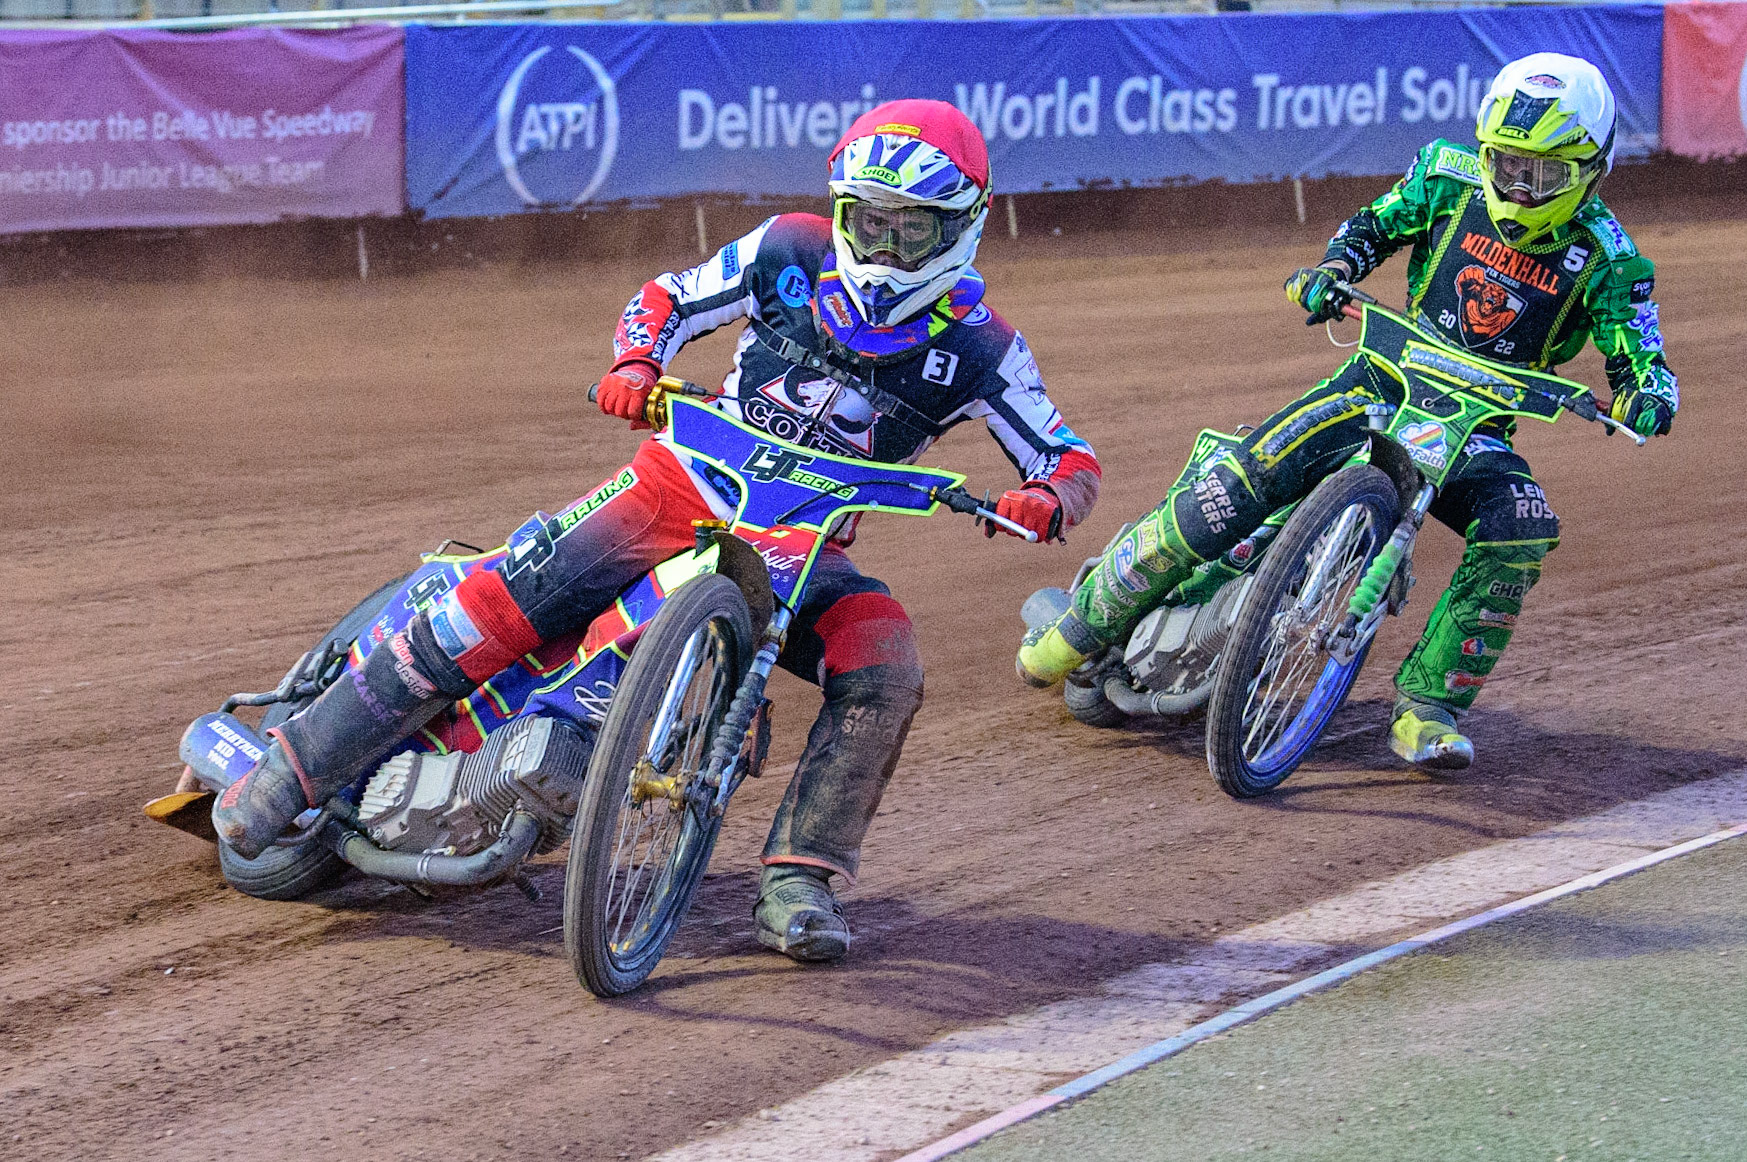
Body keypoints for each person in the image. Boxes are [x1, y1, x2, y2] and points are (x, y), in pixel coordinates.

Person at [213, 99, 1100, 962]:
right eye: (870, 223)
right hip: (680, 480)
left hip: (803, 542)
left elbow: (1066, 455)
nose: (887, 245)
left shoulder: (986, 348)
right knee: (496, 603)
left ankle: (801, 882)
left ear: (965, 225)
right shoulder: (786, 248)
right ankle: (291, 770)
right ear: (840, 211)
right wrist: (637, 360)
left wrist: (1048, 498)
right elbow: (668, 297)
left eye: (913, 229)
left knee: (886, 665)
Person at [1017, 53, 1676, 770]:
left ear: (1594, 167)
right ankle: (1084, 625)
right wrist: (1333, 271)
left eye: (1541, 173)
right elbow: (1371, 227)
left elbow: (1640, 355)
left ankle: (1430, 708)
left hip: (1476, 432)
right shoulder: (1444, 172)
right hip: (1378, 382)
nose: (1518, 185)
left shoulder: (1612, 261)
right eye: (1506, 162)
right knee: (1242, 476)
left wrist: (1647, 395)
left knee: (1521, 527)